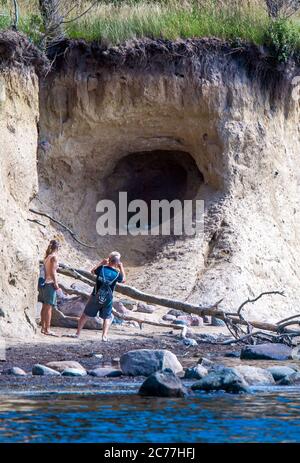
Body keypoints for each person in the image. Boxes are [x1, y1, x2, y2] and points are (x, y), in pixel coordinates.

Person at [75, 252, 126, 341]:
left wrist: (101, 263)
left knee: (85, 315)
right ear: (117, 263)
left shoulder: (101, 268)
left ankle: (78, 333)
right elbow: (123, 280)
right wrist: (121, 267)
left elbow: (92, 271)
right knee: (107, 317)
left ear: (108, 260)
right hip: (108, 298)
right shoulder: (117, 274)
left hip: (95, 295)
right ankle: (104, 336)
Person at [38, 239, 61, 336]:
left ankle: (43, 328)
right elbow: (53, 272)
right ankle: (47, 329)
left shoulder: (47, 257)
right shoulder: (54, 257)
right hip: (50, 283)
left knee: (44, 306)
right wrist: (56, 283)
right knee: (49, 308)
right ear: (58, 247)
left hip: (43, 284)